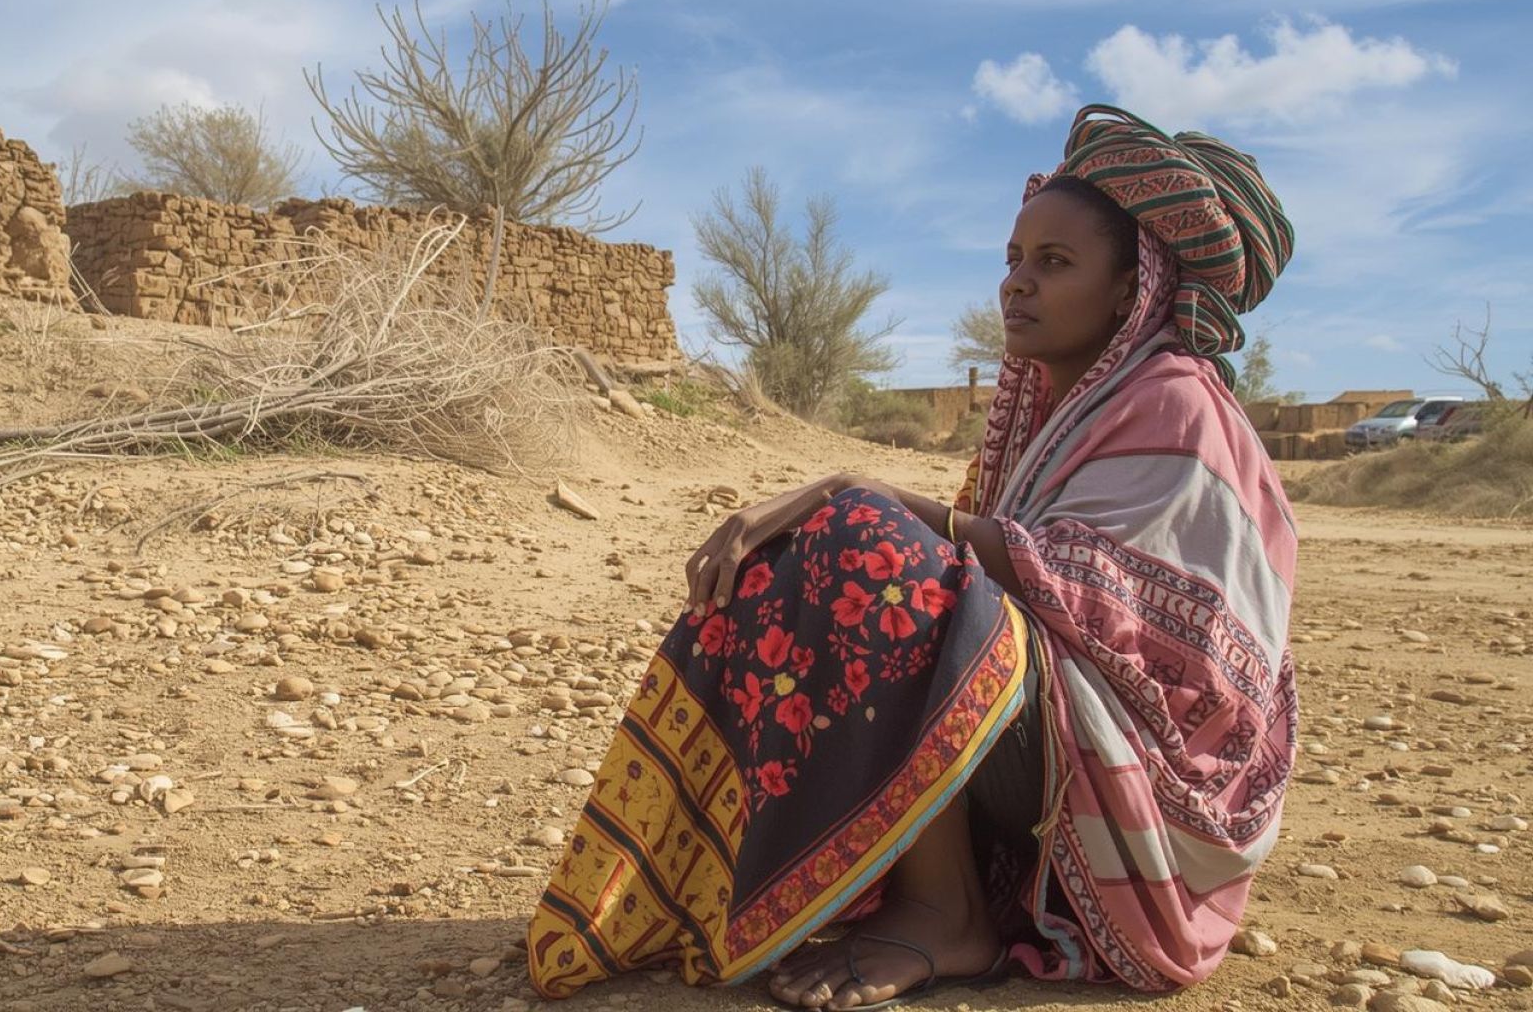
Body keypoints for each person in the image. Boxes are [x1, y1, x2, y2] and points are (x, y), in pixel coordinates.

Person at [525, 105, 1299, 1011]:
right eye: (1014, 259)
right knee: (824, 553)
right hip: (1068, 752)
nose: (1016, 285)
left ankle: (948, 913)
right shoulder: (1074, 410)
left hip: (1155, 801)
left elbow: (1118, 611)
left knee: (866, 549)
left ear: (1134, 290)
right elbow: (1009, 574)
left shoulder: (1177, 403)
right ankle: (755, 871)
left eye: (1054, 264)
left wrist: (851, 489)